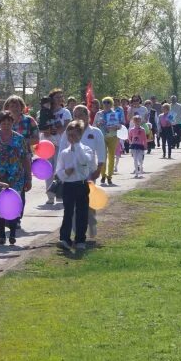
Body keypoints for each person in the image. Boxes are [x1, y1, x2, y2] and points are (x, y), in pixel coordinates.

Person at [0, 111, 31, 245]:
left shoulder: (19, 139)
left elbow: (26, 158)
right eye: (3, 122)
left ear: (12, 123)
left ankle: (13, 234)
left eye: (9, 122)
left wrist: (28, 177)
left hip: (16, 178)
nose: (6, 125)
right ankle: (2, 235)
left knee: (12, 205)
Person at [57, 106, 105, 239]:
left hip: (88, 173)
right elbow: (61, 151)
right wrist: (61, 172)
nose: (78, 118)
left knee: (87, 204)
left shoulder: (95, 132)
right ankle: (75, 232)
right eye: (75, 115)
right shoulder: (70, 131)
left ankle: (91, 223)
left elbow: (101, 151)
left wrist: (99, 168)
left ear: (87, 115)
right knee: (71, 207)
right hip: (71, 174)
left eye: (80, 115)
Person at [55, 121, 97, 252]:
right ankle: (65, 238)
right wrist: (65, 173)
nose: (71, 138)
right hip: (69, 185)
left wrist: (77, 145)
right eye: (69, 135)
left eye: (74, 135)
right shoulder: (64, 153)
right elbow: (59, 172)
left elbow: (85, 161)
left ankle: (80, 240)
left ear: (80, 135)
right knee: (68, 212)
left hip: (81, 185)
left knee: (82, 213)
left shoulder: (86, 149)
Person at [94, 97, 122, 185]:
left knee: (111, 156)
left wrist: (116, 126)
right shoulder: (99, 114)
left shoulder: (116, 113)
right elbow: (94, 125)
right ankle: (103, 175)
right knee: (103, 157)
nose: (106, 104)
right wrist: (98, 124)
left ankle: (110, 177)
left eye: (108, 102)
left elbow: (120, 125)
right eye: (104, 102)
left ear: (112, 104)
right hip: (102, 137)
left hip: (113, 136)